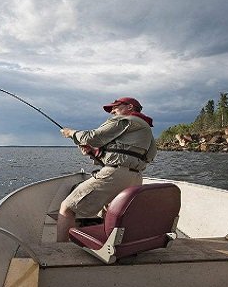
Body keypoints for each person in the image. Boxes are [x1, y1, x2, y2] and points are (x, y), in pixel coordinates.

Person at [57, 97, 157, 242]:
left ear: (129, 107)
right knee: (111, 212)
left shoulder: (126, 120)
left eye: (116, 107)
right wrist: (95, 152)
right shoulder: (146, 130)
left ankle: (60, 252)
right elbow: (144, 156)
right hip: (135, 178)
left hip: (115, 176)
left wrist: (71, 133)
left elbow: (93, 137)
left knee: (67, 207)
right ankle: (109, 244)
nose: (112, 111)